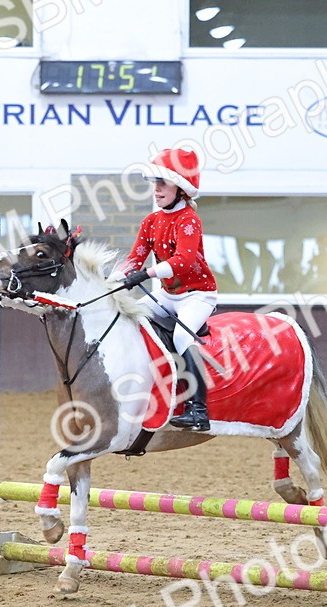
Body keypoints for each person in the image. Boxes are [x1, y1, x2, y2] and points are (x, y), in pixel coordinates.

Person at [121, 147, 217, 432]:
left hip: (197, 295)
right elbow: (133, 259)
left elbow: (184, 262)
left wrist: (146, 274)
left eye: (163, 182)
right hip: (167, 296)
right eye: (155, 183)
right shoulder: (150, 221)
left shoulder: (189, 220)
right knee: (132, 321)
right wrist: (110, 281)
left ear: (182, 189)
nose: (157, 189)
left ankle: (198, 411)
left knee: (181, 336)